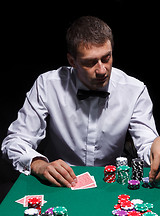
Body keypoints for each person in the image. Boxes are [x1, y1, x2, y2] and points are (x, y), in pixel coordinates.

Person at [1, 16, 160, 187]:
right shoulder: (47, 85)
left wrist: (155, 149)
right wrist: (39, 164)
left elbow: (147, 144)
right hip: (59, 184)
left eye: (106, 58)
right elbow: (14, 142)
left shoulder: (135, 90)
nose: (101, 70)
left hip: (111, 186)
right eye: (90, 63)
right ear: (72, 61)